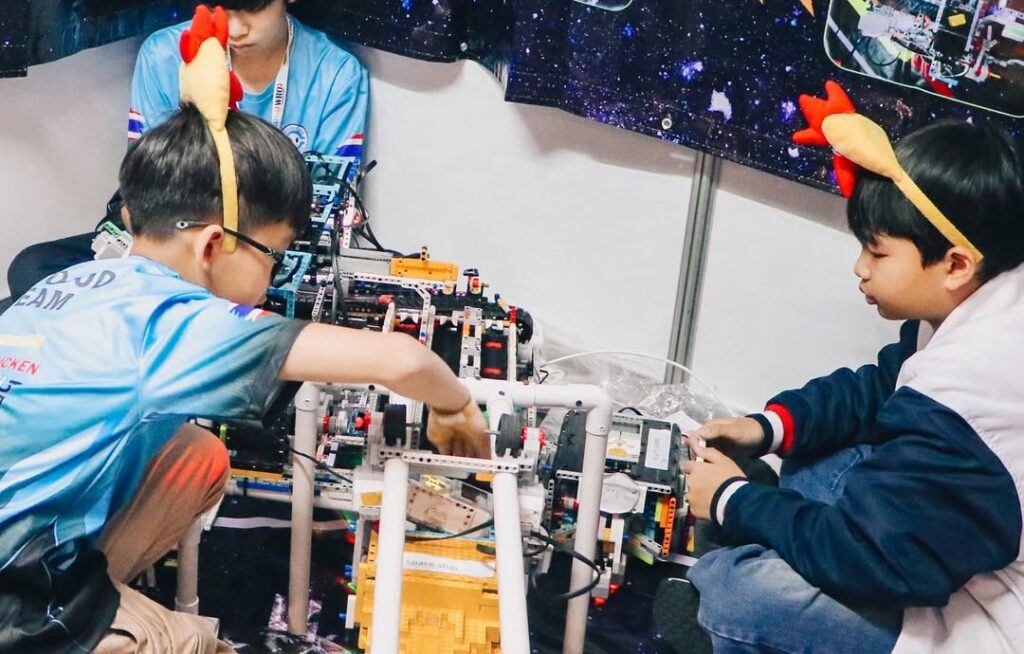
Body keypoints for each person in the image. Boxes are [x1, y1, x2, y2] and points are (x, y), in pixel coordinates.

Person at [0, 105, 486, 654]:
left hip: (19, 546)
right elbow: (404, 362)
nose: (273, 276)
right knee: (201, 645)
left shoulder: (71, 279)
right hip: (17, 606)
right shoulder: (172, 325)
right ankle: (80, 626)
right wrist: (455, 407)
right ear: (211, 245)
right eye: (274, 257)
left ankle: (103, 596)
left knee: (196, 455)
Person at [678, 119, 1024, 654]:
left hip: (992, 619)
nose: (860, 268)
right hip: (952, 545)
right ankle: (768, 539)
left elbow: (873, 557)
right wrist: (765, 428)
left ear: (956, 264)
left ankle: (717, 602)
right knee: (814, 460)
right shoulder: (987, 297)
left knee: (739, 597)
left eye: (878, 253)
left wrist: (733, 500)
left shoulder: (969, 391)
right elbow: (881, 388)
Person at [6, 0, 368, 302]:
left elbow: (323, 204)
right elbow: (148, 179)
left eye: (253, 8)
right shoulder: (165, 53)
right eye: (222, 7)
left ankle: (142, 317)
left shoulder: (337, 73)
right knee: (32, 266)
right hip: (172, 234)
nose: (236, 28)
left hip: (255, 249)